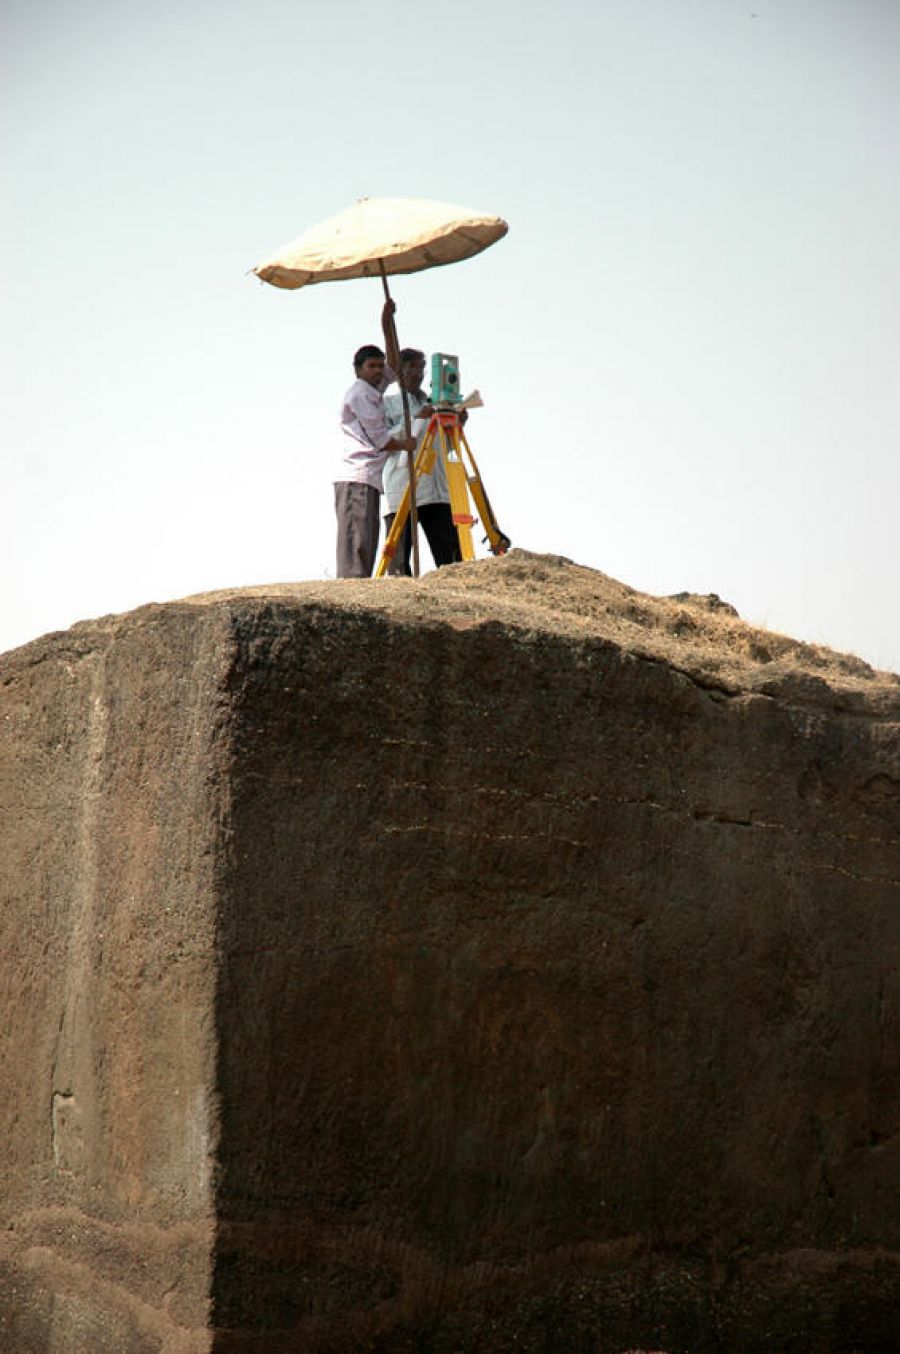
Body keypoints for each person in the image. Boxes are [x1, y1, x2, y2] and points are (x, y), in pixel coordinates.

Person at [334, 302, 417, 579]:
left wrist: (387, 325)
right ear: (358, 369)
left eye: (379, 366)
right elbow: (381, 440)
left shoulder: (373, 389)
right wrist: (406, 444)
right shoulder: (360, 394)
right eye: (372, 366)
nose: (379, 371)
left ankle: (358, 585)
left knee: (366, 539)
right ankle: (350, 590)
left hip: (369, 477)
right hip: (357, 475)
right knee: (356, 542)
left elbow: (393, 364)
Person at [382, 348, 462, 575]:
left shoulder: (435, 403)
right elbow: (383, 439)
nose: (418, 374)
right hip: (403, 488)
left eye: (421, 368)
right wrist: (417, 418)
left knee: (451, 560)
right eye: (411, 368)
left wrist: (457, 425)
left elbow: (448, 447)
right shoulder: (388, 404)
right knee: (399, 565)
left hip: (437, 490)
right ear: (398, 371)